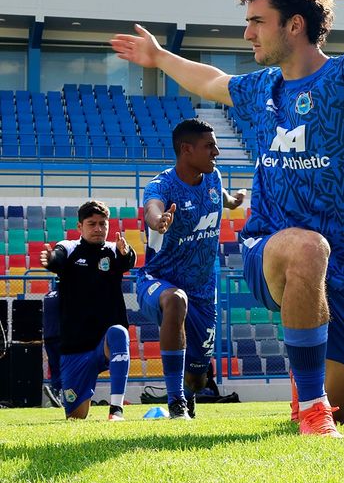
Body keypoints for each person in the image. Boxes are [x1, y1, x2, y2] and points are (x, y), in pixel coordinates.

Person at [111, 0, 344, 436]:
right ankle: (313, 405)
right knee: (305, 248)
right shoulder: (260, 89)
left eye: (257, 21)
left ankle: (315, 397)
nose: (248, 33)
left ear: (294, 25)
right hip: (270, 247)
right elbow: (212, 81)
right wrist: (158, 58)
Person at [136, 119, 246, 419]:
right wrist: (158, 221)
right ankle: (175, 403)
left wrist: (233, 202)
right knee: (176, 301)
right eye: (210, 146)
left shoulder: (214, 178)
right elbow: (151, 208)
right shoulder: (162, 185)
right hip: (158, 281)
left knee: (198, 377)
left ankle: (188, 394)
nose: (217, 152)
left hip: (203, 290)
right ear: (187, 150)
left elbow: (221, 197)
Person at [40, 200, 136, 420]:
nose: (98, 228)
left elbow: (127, 260)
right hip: (75, 349)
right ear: (79, 227)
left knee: (119, 332)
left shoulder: (114, 250)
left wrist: (126, 252)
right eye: (92, 223)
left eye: (103, 223)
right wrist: (50, 259)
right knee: (76, 418)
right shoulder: (70, 247)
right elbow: (58, 257)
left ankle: (116, 410)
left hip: (103, 344)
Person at [42, 289, 63, 408]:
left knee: (54, 367)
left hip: (49, 335)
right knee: (65, 366)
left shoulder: (48, 295)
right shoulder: (66, 293)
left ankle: (55, 392)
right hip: (61, 335)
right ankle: (57, 392)